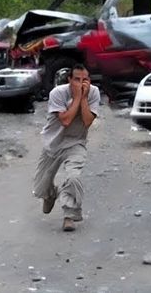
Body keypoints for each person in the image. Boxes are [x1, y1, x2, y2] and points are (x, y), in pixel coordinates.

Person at [33, 64, 101, 232]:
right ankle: (49, 194)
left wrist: (83, 98)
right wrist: (77, 97)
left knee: (73, 177)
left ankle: (69, 216)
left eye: (84, 80)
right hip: (54, 143)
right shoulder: (58, 93)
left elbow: (87, 121)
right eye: (76, 79)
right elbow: (65, 120)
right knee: (40, 188)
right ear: (69, 80)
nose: (81, 83)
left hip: (75, 143)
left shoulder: (93, 92)